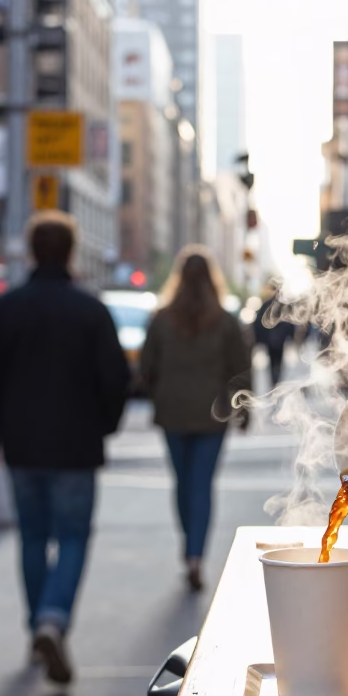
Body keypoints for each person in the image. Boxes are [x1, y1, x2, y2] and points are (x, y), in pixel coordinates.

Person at [0, 211, 129, 686]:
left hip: (22, 444)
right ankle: (52, 619)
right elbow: (116, 379)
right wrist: (104, 425)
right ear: (72, 252)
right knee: (74, 536)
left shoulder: (6, 308)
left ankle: (38, 626)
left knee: (33, 537)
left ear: (32, 251)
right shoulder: (91, 310)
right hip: (77, 443)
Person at [139, 248, 251, 591]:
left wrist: (157, 394)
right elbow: (240, 370)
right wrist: (243, 411)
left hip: (172, 413)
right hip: (211, 416)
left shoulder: (162, 319)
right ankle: (195, 555)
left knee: (183, 483)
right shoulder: (225, 321)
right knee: (201, 485)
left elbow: (146, 368)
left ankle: (189, 544)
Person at [252, 286, 295, 388]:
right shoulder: (271, 306)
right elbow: (259, 323)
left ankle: (275, 379)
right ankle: (275, 380)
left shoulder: (279, 306)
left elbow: (290, 323)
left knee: (276, 361)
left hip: (276, 340)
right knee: (275, 361)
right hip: (272, 340)